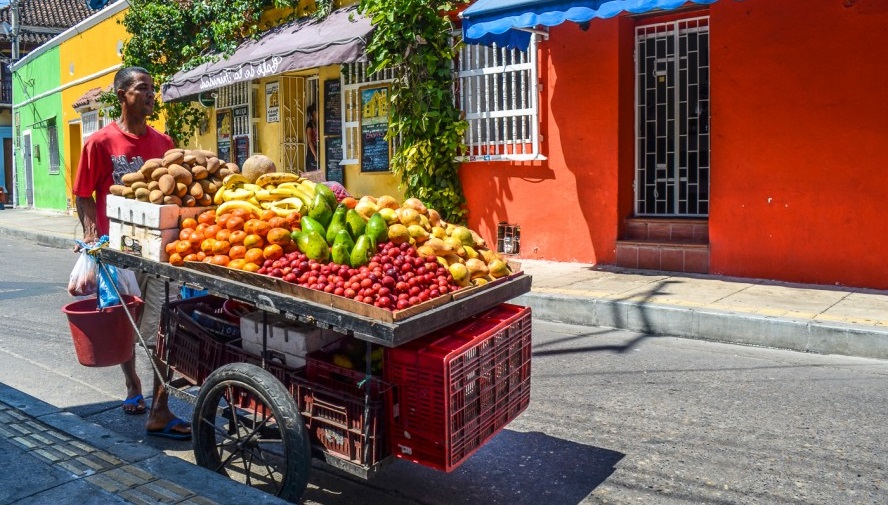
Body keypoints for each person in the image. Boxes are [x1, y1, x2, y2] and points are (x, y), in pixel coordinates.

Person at [72, 66, 191, 440]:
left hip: (156, 252)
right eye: (142, 89)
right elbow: (83, 194)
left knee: (160, 329)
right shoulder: (100, 142)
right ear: (122, 95)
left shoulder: (164, 143)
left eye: (152, 89)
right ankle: (132, 385)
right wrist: (93, 238)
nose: (151, 95)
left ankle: (160, 408)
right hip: (116, 252)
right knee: (125, 324)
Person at [305, 103, 319, 172]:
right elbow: (310, 141)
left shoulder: (318, 124)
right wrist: (315, 155)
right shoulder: (310, 125)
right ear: (314, 113)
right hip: (312, 152)